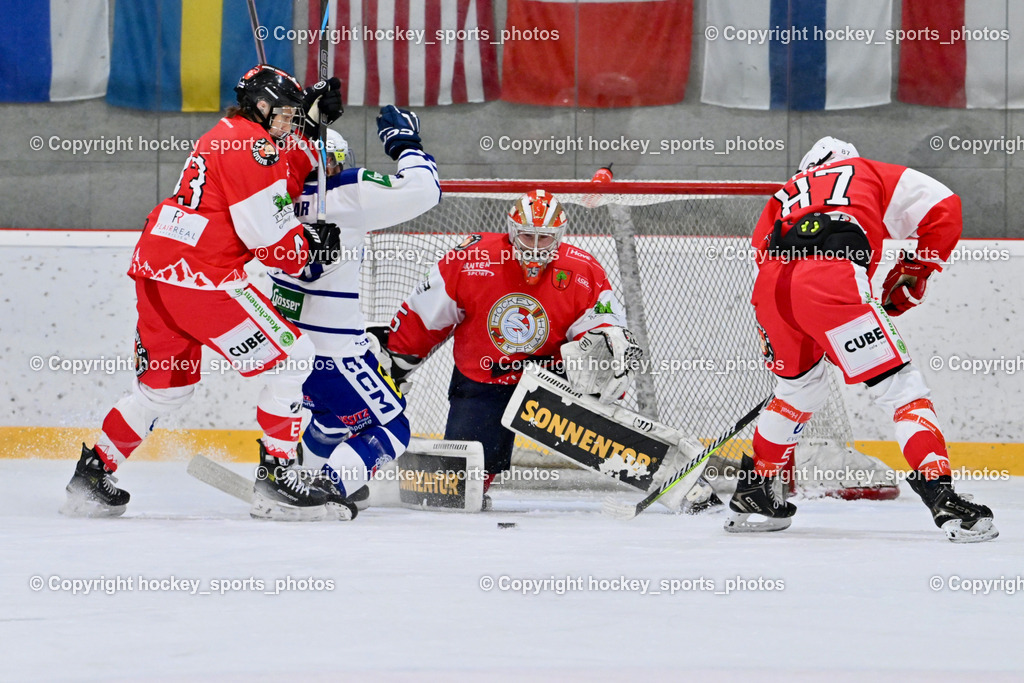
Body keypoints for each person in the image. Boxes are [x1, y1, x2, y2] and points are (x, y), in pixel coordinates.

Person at [62, 65, 349, 521]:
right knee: (294, 356)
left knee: (163, 391)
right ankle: (277, 476)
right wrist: (308, 245)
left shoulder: (229, 135)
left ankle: (93, 472)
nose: (289, 123)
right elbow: (273, 245)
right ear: (261, 106)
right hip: (202, 280)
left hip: (157, 272)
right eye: (286, 114)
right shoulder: (253, 146)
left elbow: (277, 172)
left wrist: (311, 127)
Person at [726, 135, 997, 543]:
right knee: (902, 389)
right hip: (832, 283)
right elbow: (945, 207)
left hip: (771, 292)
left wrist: (813, 326)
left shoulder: (787, 192)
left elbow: (760, 255)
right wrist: (916, 268)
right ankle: (943, 497)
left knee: (797, 392)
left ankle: (755, 492)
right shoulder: (867, 171)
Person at [373, 190, 642, 508]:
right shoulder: (471, 259)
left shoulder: (581, 270)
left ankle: (656, 465)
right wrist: (398, 360)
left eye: (546, 238)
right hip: (483, 379)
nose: (536, 247)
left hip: (551, 381)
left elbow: (601, 326)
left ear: (560, 235)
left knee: (602, 396)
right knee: (451, 492)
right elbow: (426, 312)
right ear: (513, 231)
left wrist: (607, 356)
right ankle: (467, 477)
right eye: (528, 236)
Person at [271, 106, 440, 504]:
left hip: (284, 349)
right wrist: (405, 144)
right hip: (333, 352)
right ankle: (323, 489)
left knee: (332, 417)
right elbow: (425, 190)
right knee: (393, 428)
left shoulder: (267, 199)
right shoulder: (346, 192)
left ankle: (297, 474)